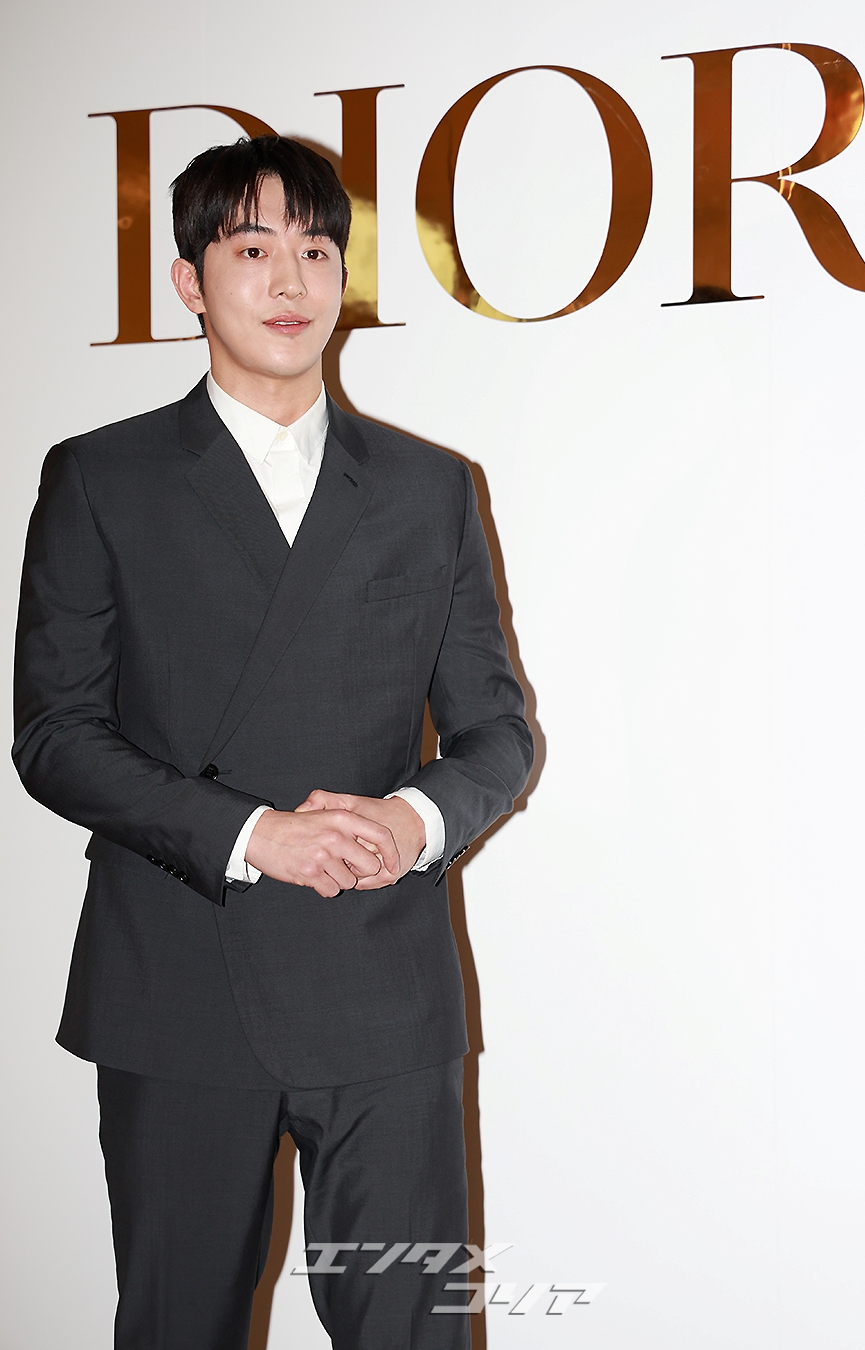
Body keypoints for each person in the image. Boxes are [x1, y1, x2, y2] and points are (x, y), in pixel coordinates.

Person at [12, 135, 533, 1350]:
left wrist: (413, 819)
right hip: (179, 980)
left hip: (384, 984)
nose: (292, 281)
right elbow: (55, 735)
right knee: (180, 1326)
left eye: (315, 251)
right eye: (252, 251)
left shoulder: (428, 487)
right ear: (190, 282)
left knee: (414, 1330)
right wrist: (251, 834)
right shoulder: (103, 479)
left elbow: (498, 729)